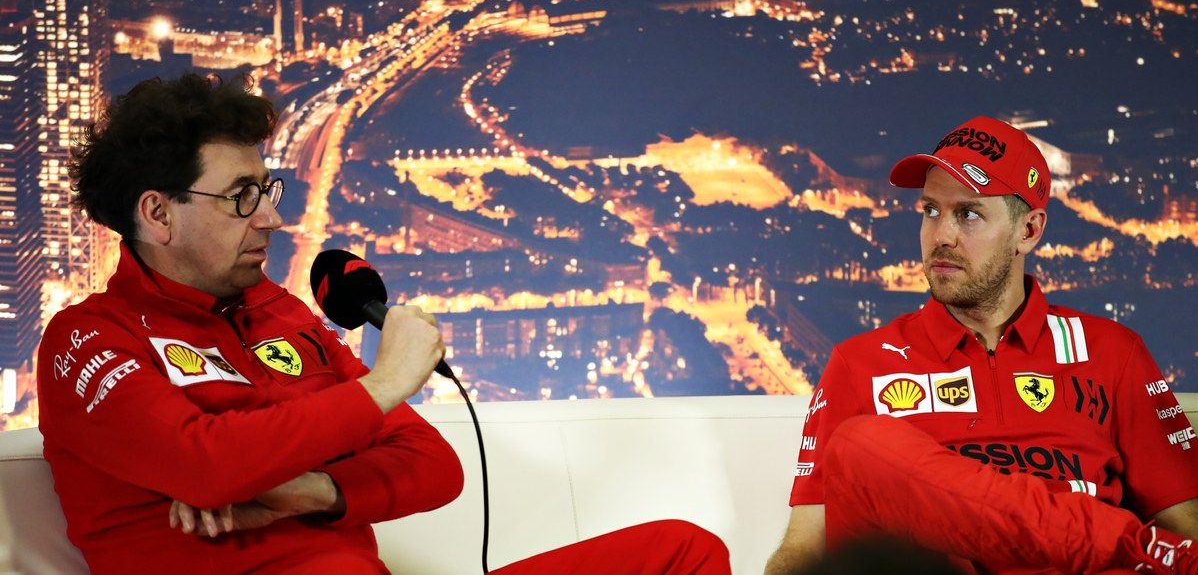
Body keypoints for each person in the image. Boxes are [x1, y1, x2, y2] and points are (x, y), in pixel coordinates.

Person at [37, 72, 728, 575]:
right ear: (158, 214)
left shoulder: (280, 313)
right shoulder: (88, 340)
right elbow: (202, 463)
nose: (273, 219)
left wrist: (313, 492)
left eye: (267, 190)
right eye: (242, 198)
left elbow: (433, 465)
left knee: (686, 550)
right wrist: (384, 382)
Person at [764, 116, 1198, 575]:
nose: (941, 235)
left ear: (1029, 230)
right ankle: (1122, 545)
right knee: (861, 445)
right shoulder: (859, 363)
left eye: (969, 215)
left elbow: (1189, 544)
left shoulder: (1114, 351)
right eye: (931, 211)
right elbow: (805, 549)